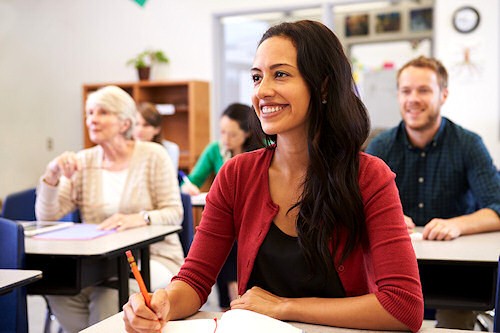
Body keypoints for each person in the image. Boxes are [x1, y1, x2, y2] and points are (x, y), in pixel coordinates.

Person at [123, 20, 423, 333]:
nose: (262, 91)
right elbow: (195, 281)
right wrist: (164, 303)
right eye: (256, 77)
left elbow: (402, 305)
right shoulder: (236, 174)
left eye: (280, 74)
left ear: (322, 85)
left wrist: (283, 307)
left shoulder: (369, 176)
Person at [35, 85, 184, 333]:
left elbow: (174, 212)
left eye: (102, 112)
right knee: (60, 291)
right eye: (90, 112)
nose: (92, 119)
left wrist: (139, 218)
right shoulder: (83, 161)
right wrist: (52, 175)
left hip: (152, 258)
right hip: (97, 264)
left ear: (125, 122)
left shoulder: (153, 155)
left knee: (110, 297)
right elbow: (46, 217)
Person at [365, 56, 500, 329]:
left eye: (424, 90)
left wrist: (456, 225)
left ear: (444, 94)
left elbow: (497, 207)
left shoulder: (469, 144)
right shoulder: (380, 146)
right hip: (393, 266)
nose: (413, 99)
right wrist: (384, 220)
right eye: (406, 91)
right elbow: (352, 206)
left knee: (453, 323)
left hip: (456, 273)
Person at [181, 102, 260, 310]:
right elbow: (191, 181)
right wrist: (188, 187)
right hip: (228, 219)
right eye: (222, 132)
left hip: (253, 220)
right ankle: (233, 302)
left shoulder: (264, 149)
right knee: (223, 239)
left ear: (248, 133)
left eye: (232, 134)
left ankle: (236, 300)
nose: (225, 139)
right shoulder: (215, 150)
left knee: (235, 239)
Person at [133, 102, 180, 172]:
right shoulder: (125, 149)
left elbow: (169, 178)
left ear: (157, 129)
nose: (140, 129)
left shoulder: (170, 149)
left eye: (146, 125)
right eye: (136, 124)